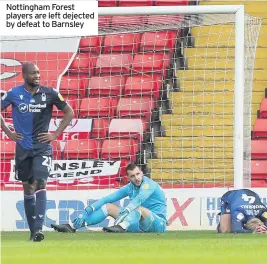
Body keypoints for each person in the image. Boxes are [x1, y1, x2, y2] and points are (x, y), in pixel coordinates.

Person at [0, 62, 74, 242]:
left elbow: (69, 112)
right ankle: (33, 232)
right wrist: (8, 132)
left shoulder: (50, 93)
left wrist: (55, 134)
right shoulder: (13, 94)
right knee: (28, 187)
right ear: (24, 75)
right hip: (23, 148)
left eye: (39, 73)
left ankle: (39, 229)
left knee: (41, 182)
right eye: (34, 73)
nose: (37, 76)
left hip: (42, 147)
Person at [51, 163, 167, 233]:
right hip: (137, 222)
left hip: (157, 224)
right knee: (108, 207)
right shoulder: (129, 187)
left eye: (138, 174)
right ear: (128, 178)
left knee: (137, 207)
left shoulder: (149, 184)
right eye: (132, 176)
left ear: (141, 173)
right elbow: (107, 199)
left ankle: (121, 227)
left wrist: (126, 211)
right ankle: (72, 226)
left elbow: (139, 199)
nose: (136, 178)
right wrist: (86, 212)